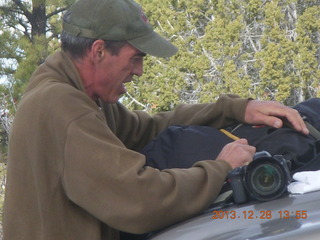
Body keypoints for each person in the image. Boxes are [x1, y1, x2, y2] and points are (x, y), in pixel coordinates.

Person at [3, 0, 309, 239]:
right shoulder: (64, 107)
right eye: (135, 58)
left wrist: (235, 109)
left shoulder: (76, 92)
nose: (139, 71)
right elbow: (138, 200)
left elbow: (147, 128)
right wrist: (221, 168)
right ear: (99, 51)